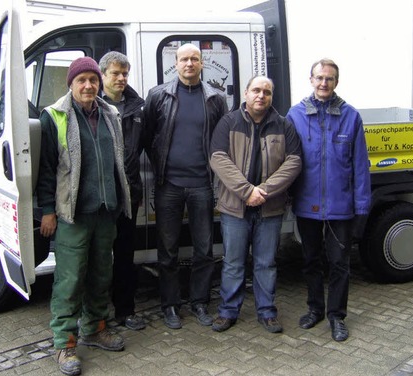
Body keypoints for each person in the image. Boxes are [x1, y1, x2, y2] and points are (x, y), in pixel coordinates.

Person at [36, 56, 133, 376]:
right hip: (72, 214)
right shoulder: (55, 116)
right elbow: (47, 170)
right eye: (82, 80)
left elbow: (118, 161)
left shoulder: (111, 114)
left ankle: (95, 328)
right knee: (70, 280)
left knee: (100, 275)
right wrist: (48, 211)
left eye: (93, 80)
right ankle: (64, 343)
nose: (89, 86)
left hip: (106, 212)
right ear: (71, 84)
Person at [143, 43, 228, 329]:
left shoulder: (216, 99)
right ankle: (170, 305)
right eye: (184, 59)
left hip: (202, 184)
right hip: (169, 185)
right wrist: (160, 170)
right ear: (175, 63)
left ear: (202, 63)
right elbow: (147, 137)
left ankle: (200, 302)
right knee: (167, 250)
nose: (189, 64)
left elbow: (220, 140)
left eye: (194, 59)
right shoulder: (158, 96)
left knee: (204, 249)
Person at [286, 58, 371, 342]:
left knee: (339, 264)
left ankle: (337, 316)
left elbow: (360, 166)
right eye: (319, 78)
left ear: (336, 82)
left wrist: (361, 207)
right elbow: (286, 160)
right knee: (310, 261)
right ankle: (315, 310)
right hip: (307, 205)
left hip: (340, 207)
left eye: (329, 79)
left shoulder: (351, 116)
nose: (324, 83)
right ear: (310, 80)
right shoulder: (295, 115)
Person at [209, 75, 302, 334]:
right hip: (235, 208)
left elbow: (293, 162)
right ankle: (228, 311)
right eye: (257, 90)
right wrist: (247, 191)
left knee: (266, 263)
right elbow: (218, 158)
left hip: (269, 207)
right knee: (233, 263)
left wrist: (264, 191)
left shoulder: (284, 125)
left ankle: (267, 312)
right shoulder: (228, 122)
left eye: (267, 92)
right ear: (246, 93)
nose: (261, 96)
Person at [98, 51, 147, 331]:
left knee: (126, 256)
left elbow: (151, 143)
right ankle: (98, 314)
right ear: (103, 74)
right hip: (101, 195)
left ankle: (126, 311)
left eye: (124, 74)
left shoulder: (138, 108)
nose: (121, 78)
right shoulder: (92, 104)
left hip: (129, 194)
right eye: (115, 73)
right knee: (99, 257)